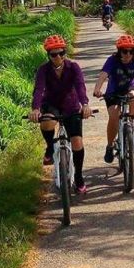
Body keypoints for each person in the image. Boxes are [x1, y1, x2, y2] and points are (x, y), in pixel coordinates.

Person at [29, 34, 93, 194]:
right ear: (48, 55)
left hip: (71, 106)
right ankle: (50, 147)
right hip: (51, 105)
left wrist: (85, 104)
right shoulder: (43, 70)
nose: (58, 57)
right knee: (47, 122)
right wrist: (36, 109)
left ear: (65, 53)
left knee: (77, 142)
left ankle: (78, 177)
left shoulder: (74, 67)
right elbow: (39, 89)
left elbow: (80, 86)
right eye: (53, 54)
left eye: (61, 53)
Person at [93, 34, 134, 163]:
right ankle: (110, 145)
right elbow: (103, 76)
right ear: (119, 51)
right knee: (114, 117)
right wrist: (97, 89)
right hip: (114, 90)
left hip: (131, 87)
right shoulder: (112, 60)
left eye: (131, 51)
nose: (128, 54)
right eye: (125, 51)